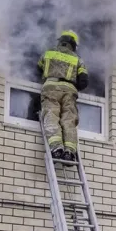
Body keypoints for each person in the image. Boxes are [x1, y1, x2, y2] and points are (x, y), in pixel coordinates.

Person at [38, 29, 88, 162]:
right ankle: (70, 151)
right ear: (74, 45)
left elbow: (38, 69)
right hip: (69, 91)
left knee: (51, 115)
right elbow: (84, 81)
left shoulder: (48, 53)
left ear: (61, 41)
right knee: (68, 120)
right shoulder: (78, 59)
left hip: (51, 87)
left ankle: (56, 147)